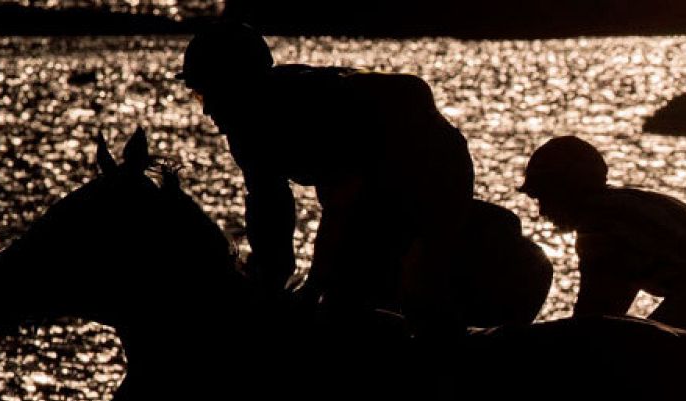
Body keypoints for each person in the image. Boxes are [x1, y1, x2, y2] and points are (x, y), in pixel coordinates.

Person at [179, 21, 482, 326]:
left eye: (209, 96)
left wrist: (312, 288)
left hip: (435, 172)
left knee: (350, 300)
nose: (206, 111)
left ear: (238, 87)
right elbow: (269, 208)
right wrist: (268, 284)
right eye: (199, 96)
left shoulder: (310, 105)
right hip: (379, 178)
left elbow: (344, 204)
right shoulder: (244, 126)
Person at [518, 136, 686, 342]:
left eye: (544, 198)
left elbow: (595, 318)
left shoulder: (601, 226)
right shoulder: (627, 203)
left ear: (567, 190)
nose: (542, 212)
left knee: (646, 356)